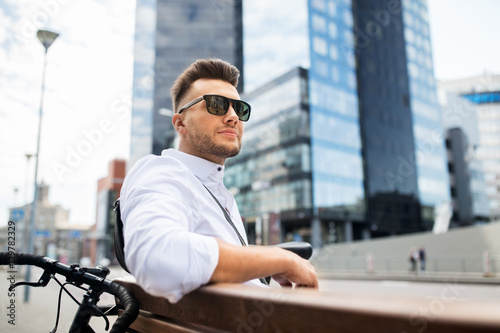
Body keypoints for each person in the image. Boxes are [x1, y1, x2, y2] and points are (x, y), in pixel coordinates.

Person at [119, 58, 318, 303]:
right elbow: (157, 256)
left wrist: (260, 260)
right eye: (216, 104)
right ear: (180, 123)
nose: (233, 116)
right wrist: (281, 260)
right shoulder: (163, 173)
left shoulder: (216, 190)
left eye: (239, 108)